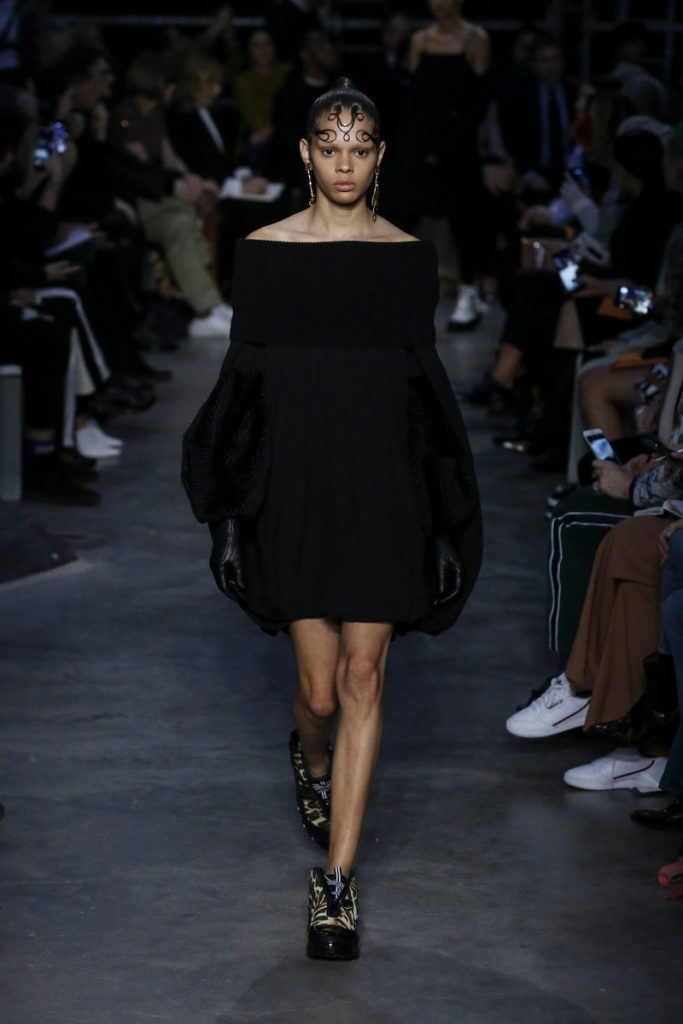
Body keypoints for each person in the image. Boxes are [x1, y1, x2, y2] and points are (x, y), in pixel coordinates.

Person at [182, 77, 482, 960]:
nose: (343, 163)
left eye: (359, 148)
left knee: (361, 678)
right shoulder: (264, 252)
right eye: (329, 147)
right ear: (306, 154)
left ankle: (336, 883)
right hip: (295, 487)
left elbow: (424, 399)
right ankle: (309, 757)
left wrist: (442, 522)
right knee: (317, 695)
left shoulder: (406, 259)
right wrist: (229, 516)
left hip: (384, 489)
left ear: (378, 156)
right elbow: (241, 388)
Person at [405, 0, 491, 330]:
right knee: (403, 211)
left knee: (464, 221)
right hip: (420, 146)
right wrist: (419, 147)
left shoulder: (476, 39)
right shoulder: (420, 40)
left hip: (458, 146)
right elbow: (416, 101)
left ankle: (468, 291)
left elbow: (476, 103)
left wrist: (446, 147)